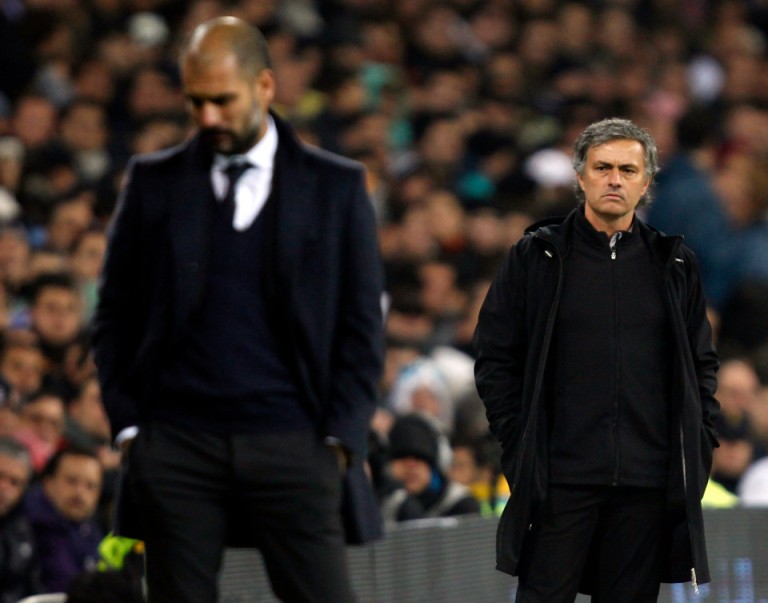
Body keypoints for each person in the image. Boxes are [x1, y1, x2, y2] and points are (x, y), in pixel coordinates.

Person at [92, 16, 384, 603]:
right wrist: (131, 430)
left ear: (266, 86)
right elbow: (113, 315)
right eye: (195, 101)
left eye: (222, 101)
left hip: (295, 444)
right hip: (176, 448)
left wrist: (339, 441)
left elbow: (361, 326)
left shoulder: (337, 187)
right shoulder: (153, 182)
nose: (207, 118)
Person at [474, 117, 720, 602]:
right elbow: (495, 358)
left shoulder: (673, 264)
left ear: (646, 182)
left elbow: (701, 365)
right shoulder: (536, 256)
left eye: (628, 170)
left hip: (645, 487)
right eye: (602, 167)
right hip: (559, 482)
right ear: (580, 176)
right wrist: (519, 443)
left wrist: (699, 440)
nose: (614, 179)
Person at [23, 446, 104, 593]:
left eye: (90, 486)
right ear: (48, 483)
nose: (80, 493)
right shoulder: (30, 524)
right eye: (71, 481)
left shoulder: (88, 527)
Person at [380, 412, 480, 523]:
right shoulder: (381, 503)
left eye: (420, 458)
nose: (411, 467)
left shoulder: (462, 504)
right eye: (402, 457)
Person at [0, 436, 43, 603]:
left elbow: (33, 586)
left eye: (15, 482)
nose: (5, 488)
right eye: (1, 476)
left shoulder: (23, 529)